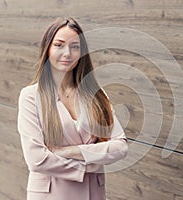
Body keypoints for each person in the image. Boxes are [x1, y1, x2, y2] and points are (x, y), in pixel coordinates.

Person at [17, 17, 128, 200]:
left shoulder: (97, 96)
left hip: (93, 193)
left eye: (75, 47)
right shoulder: (30, 96)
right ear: (47, 49)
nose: (67, 53)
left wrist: (67, 152)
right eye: (59, 45)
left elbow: (120, 147)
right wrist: (91, 164)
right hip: (50, 194)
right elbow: (37, 159)